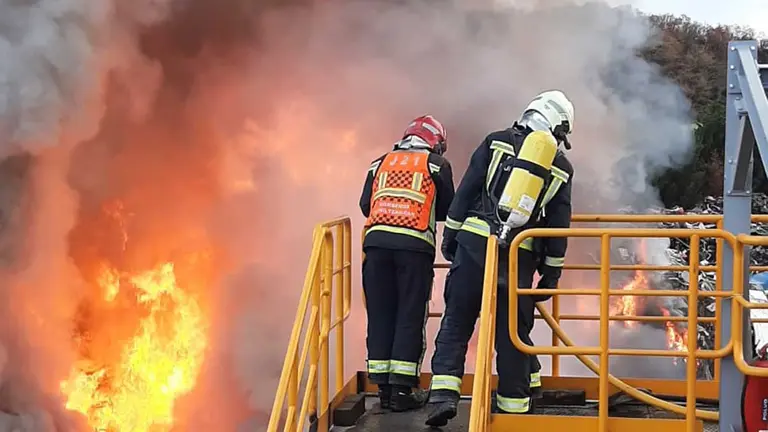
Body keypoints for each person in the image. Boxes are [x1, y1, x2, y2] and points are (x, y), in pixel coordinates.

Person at [425, 90, 575, 426]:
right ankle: (513, 410)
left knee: (457, 323)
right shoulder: (561, 166)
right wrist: (551, 274)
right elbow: (557, 225)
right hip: (518, 260)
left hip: (475, 246)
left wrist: (451, 236)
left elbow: (466, 191)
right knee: (512, 337)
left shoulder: (495, 143)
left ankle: (443, 396)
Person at [359, 115, 456, 412]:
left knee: (380, 314)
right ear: (436, 142)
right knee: (409, 315)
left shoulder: (379, 162)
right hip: (414, 249)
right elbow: (448, 208)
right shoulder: (437, 165)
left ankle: (385, 390)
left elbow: (366, 205)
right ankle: (402, 392)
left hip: (375, 247)